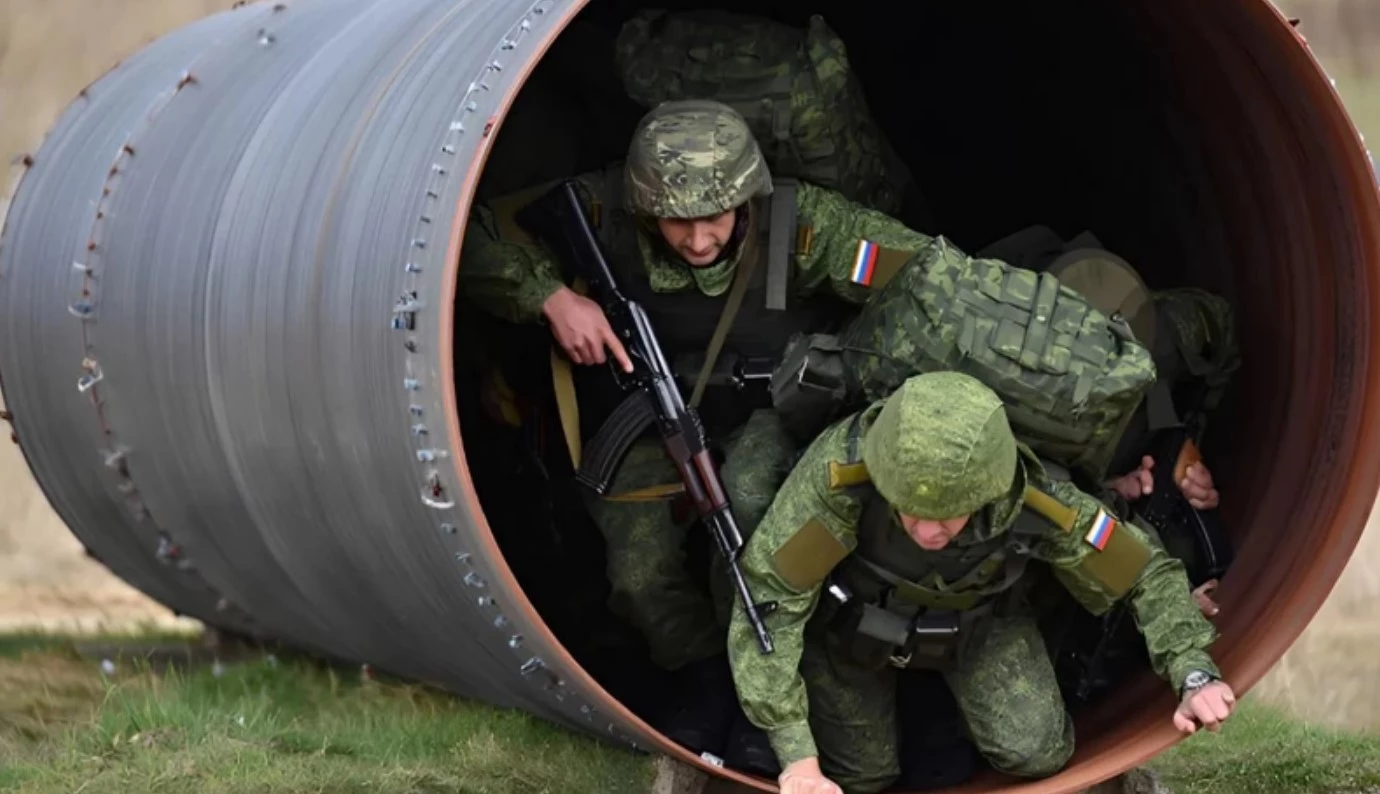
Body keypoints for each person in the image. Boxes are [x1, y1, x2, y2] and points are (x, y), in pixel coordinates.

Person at [456, 98, 940, 768]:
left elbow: (931, 281)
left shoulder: (806, 226)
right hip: (651, 411)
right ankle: (703, 677)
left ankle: (760, 698)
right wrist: (551, 298)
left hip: (777, 412)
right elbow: (469, 232)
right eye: (675, 220)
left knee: (747, 516)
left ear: (746, 195)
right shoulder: (603, 210)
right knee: (636, 570)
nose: (697, 239)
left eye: (714, 216)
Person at [726, 370, 1236, 794]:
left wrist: (1192, 673)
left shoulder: (1033, 494)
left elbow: (1141, 569)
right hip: (852, 623)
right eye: (911, 509)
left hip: (978, 622)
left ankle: (943, 719)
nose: (928, 530)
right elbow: (771, 593)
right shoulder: (843, 473)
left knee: (1038, 753)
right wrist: (796, 756)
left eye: (950, 515)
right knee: (862, 776)